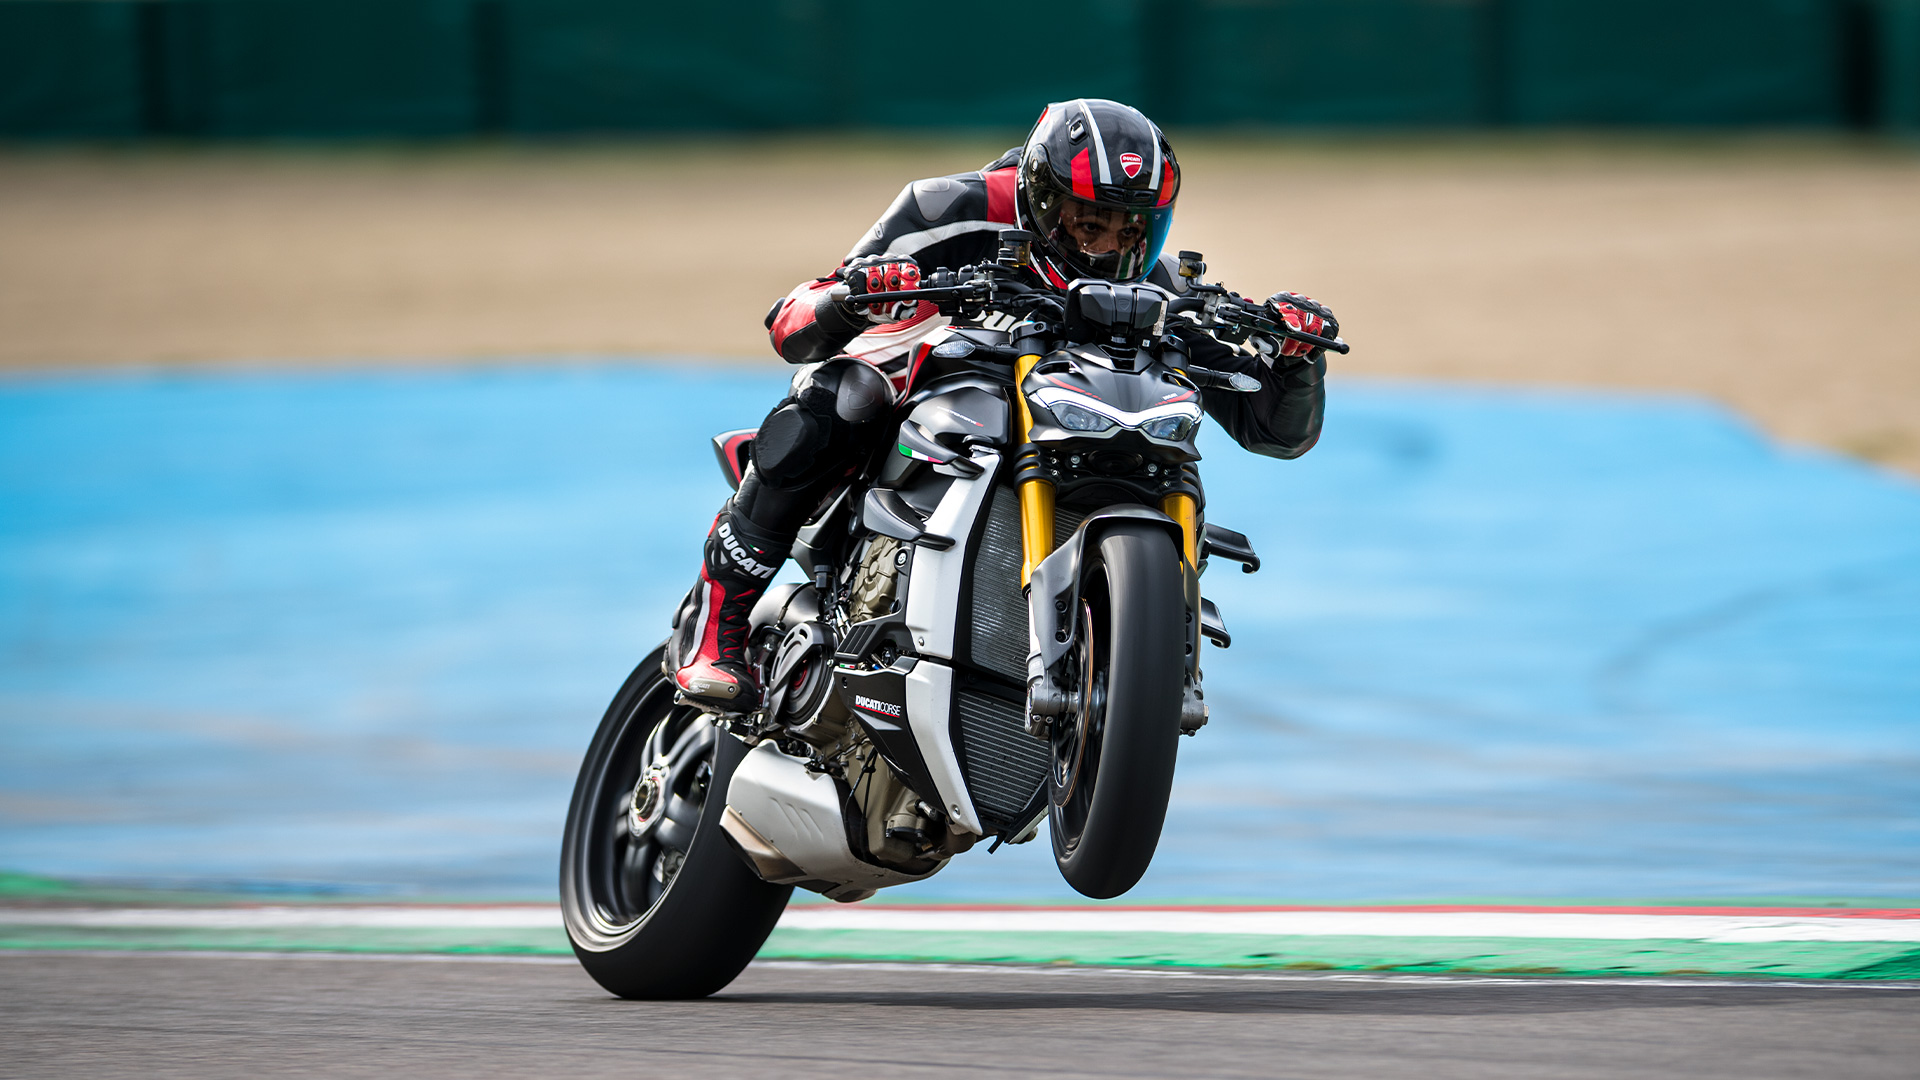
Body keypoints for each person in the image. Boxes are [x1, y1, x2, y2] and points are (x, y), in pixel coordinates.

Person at [668, 98, 1336, 708]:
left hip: (1058, 425)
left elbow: (1273, 430)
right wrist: (853, 298)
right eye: (1088, 224)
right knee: (848, 392)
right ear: (1042, 199)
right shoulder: (947, 209)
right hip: (933, 380)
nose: (1107, 249)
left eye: (1131, 229)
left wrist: (1296, 359)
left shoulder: (1154, 288)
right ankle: (714, 626)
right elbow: (791, 324)